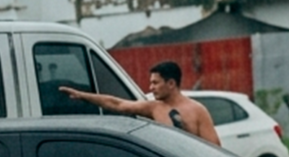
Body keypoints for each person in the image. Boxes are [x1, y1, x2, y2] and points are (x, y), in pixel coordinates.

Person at [59, 60, 221, 145]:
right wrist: (82, 95)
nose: (151, 88)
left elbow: (215, 150)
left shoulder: (197, 110)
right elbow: (117, 104)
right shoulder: (154, 108)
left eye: (155, 83)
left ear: (171, 83)